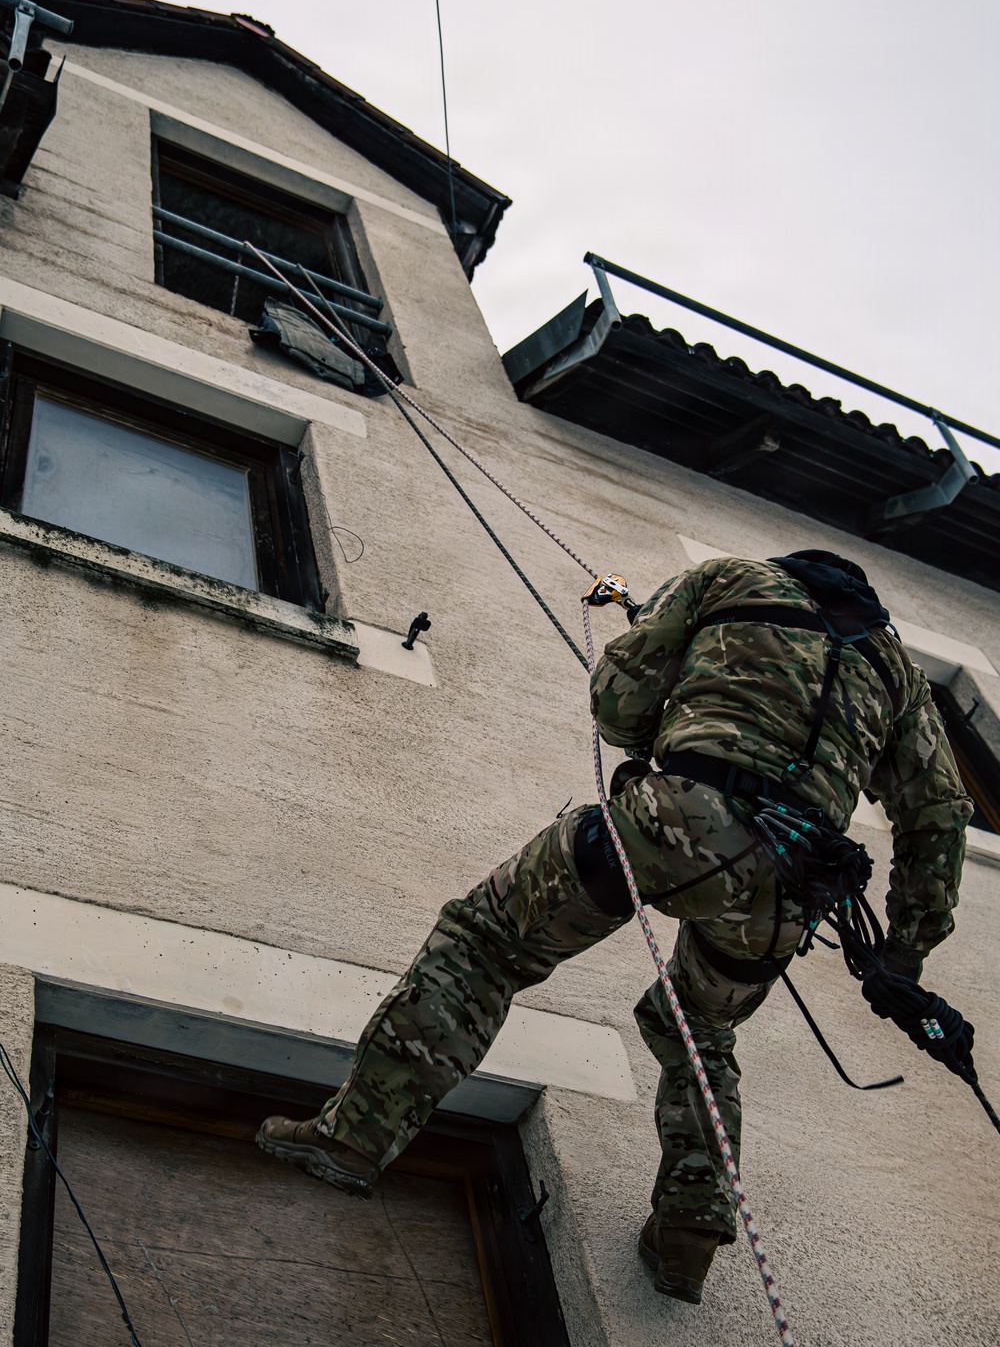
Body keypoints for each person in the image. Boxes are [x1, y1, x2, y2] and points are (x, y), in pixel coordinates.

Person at [258, 551, 972, 1303]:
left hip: (675, 820)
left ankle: (355, 1137)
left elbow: (619, 701)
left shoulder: (731, 579)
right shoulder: (899, 676)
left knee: (486, 941)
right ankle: (688, 1234)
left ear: (792, 571)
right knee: (701, 1031)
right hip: (786, 894)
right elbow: (939, 819)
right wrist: (904, 954)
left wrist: (666, 720)